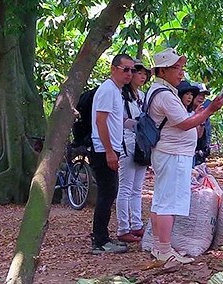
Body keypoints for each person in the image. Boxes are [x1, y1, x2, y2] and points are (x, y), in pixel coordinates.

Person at [146, 48, 223, 263]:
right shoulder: (165, 96)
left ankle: (159, 247)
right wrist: (209, 110)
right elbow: (183, 124)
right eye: (175, 68)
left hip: (170, 153)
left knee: (161, 201)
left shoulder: (162, 91)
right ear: (162, 71)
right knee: (167, 203)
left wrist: (200, 113)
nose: (180, 73)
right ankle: (163, 249)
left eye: (181, 67)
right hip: (172, 154)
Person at [90, 54, 134, 254]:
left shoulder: (117, 91)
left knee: (109, 194)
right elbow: (101, 121)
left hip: (111, 148)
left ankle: (103, 237)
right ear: (113, 68)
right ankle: (99, 241)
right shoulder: (107, 90)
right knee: (106, 195)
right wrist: (108, 151)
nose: (129, 74)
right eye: (126, 69)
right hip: (102, 150)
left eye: (132, 70)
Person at [115, 59, 150, 243]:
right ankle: (123, 227)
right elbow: (119, 120)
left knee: (137, 188)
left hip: (141, 145)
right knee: (126, 187)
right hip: (127, 143)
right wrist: (139, 124)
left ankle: (136, 225)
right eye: (139, 72)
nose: (142, 76)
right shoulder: (122, 96)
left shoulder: (142, 96)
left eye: (145, 74)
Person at [192, 83, 212, 166]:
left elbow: (202, 136)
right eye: (199, 94)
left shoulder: (204, 113)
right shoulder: (185, 113)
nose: (201, 98)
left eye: (203, 95)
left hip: (200, 155)